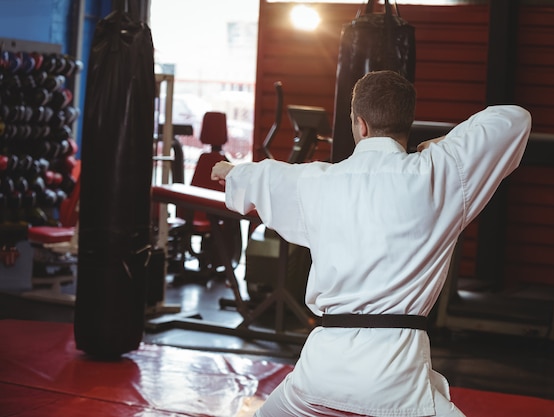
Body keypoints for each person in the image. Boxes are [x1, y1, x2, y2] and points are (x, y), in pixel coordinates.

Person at [211, 70, 531, 417]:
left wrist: (229, 170)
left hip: (320, 374)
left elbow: (263, 175)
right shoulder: (438, 172)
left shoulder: (316, 181)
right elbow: (513, 118)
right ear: (406, 124)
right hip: (396, 382)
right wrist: (435, 145)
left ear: (360, 125)